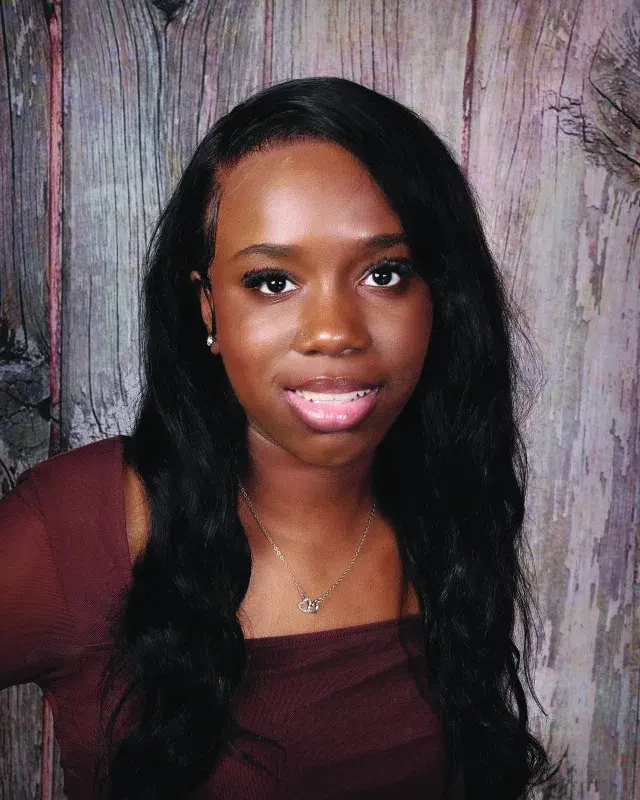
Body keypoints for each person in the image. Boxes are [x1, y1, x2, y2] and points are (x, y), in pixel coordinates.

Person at [0, 76, 553, 799]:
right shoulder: (82, 526)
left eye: (385, 274)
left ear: (439, 298)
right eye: (272, 282)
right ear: (208, 307)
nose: (333, 333)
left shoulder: (446, 513)